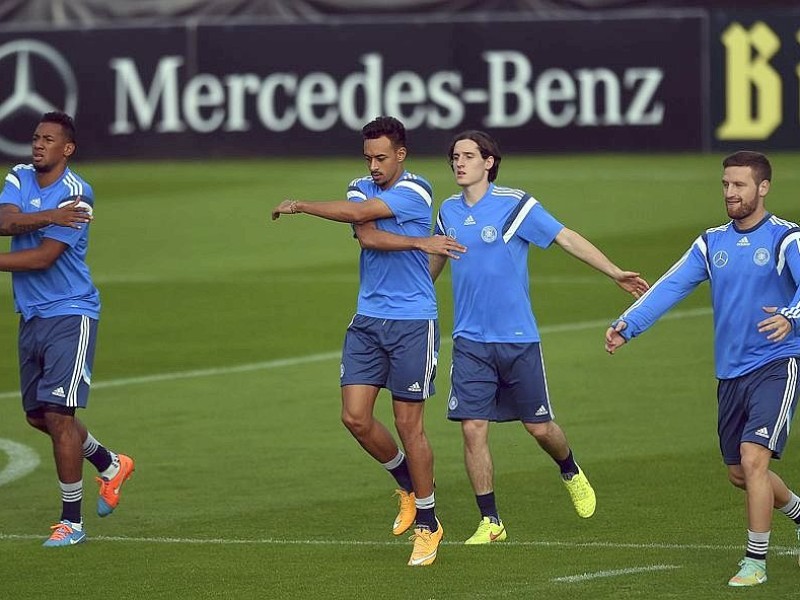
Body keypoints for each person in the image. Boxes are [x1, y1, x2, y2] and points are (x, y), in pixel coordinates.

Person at [428, 130, 648, 544]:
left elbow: (565, 237)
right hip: (470, 341)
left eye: (468, 156)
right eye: (454, 156)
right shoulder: (449, 211)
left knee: (540, 428)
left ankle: (569, 468)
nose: (459, 163)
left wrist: (614, 271)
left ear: (488, 162)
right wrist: (410, 301)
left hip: (517, 339)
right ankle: (491, 522)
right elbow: (434, 263)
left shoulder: (515, 205)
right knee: (472, 427)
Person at [272, 116, 464, 566]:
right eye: (368, 158)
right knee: (355, 418)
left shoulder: (416, 190)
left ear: (401, 155)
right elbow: (367, 233)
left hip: (413, 320)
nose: (373, 166)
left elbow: (361, 219)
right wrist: (418, 244)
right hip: (368, 319)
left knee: (408, 425)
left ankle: (428, 522)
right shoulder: (361, 185)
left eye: (381, 158)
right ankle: (406, 484)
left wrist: (300, 205)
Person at [605, 150, 800, 587]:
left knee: (754, 460)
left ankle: (755, 561)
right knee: (742, 473)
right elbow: (671, 285)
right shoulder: (712, 242)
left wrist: (791, 316)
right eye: (726, 185)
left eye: (740, 185)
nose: (731, 193)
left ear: (763, 188)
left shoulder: (786, 239)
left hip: (777, 363)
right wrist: (629, 324)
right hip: (730, 372)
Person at [0, 111, 135, 547]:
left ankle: (71, 522)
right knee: (37, 415)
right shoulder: (19, 176)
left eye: (48, 139)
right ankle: (110, 462)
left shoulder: (78, 194)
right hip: (32, 313)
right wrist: (46, 217)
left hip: (71, 312)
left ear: (67, 149)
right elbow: (4, 223)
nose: (38, 145)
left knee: (59, 415)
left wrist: (50, 218)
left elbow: (42, 259)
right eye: (36, 138)